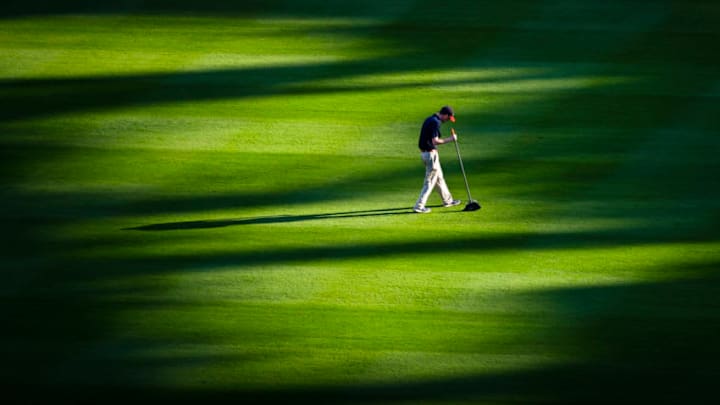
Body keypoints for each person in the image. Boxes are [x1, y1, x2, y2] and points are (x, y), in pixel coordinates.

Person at [413, 106, 461, 213]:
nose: (447, 120)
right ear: (445, 115)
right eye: (448, 118)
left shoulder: (430, 119)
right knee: (429, 182)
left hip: (427, 153)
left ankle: (448, 200)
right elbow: (435, 141)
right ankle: (419, 206)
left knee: (439, 178)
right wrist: (451, 139)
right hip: (430, 155)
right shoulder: (435, 122)